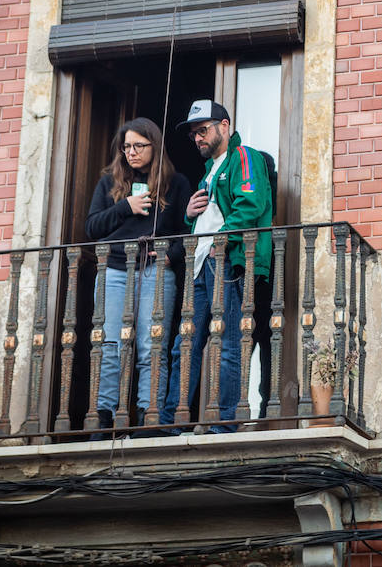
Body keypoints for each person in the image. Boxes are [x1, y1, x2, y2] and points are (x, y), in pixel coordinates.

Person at [162, 100, 273, 432]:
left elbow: (251, 204)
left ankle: (224, 423)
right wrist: (188, 214)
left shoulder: (244, 157)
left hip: (225, 260)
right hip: (201, 262)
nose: (198, 138)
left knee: (226, 344)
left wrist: (220, 241)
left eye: (204, 130)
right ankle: (173, 421)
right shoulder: (211, 170)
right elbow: (210, 215)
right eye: (194, 133)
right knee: (185, 344)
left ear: (225, 126)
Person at [84, 117, 192, 434]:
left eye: (139, 146)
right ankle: (103, 418)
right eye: (126, 146)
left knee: (151, 347)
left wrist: (171, 255)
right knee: (110, 347)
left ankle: (150, 416)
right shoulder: (109, 182)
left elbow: (189, 230)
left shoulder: (177, 183)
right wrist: (126, 207)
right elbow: (92, 228)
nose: (131, 152)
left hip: (156, 272)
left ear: (153, 146)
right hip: (115, 271)